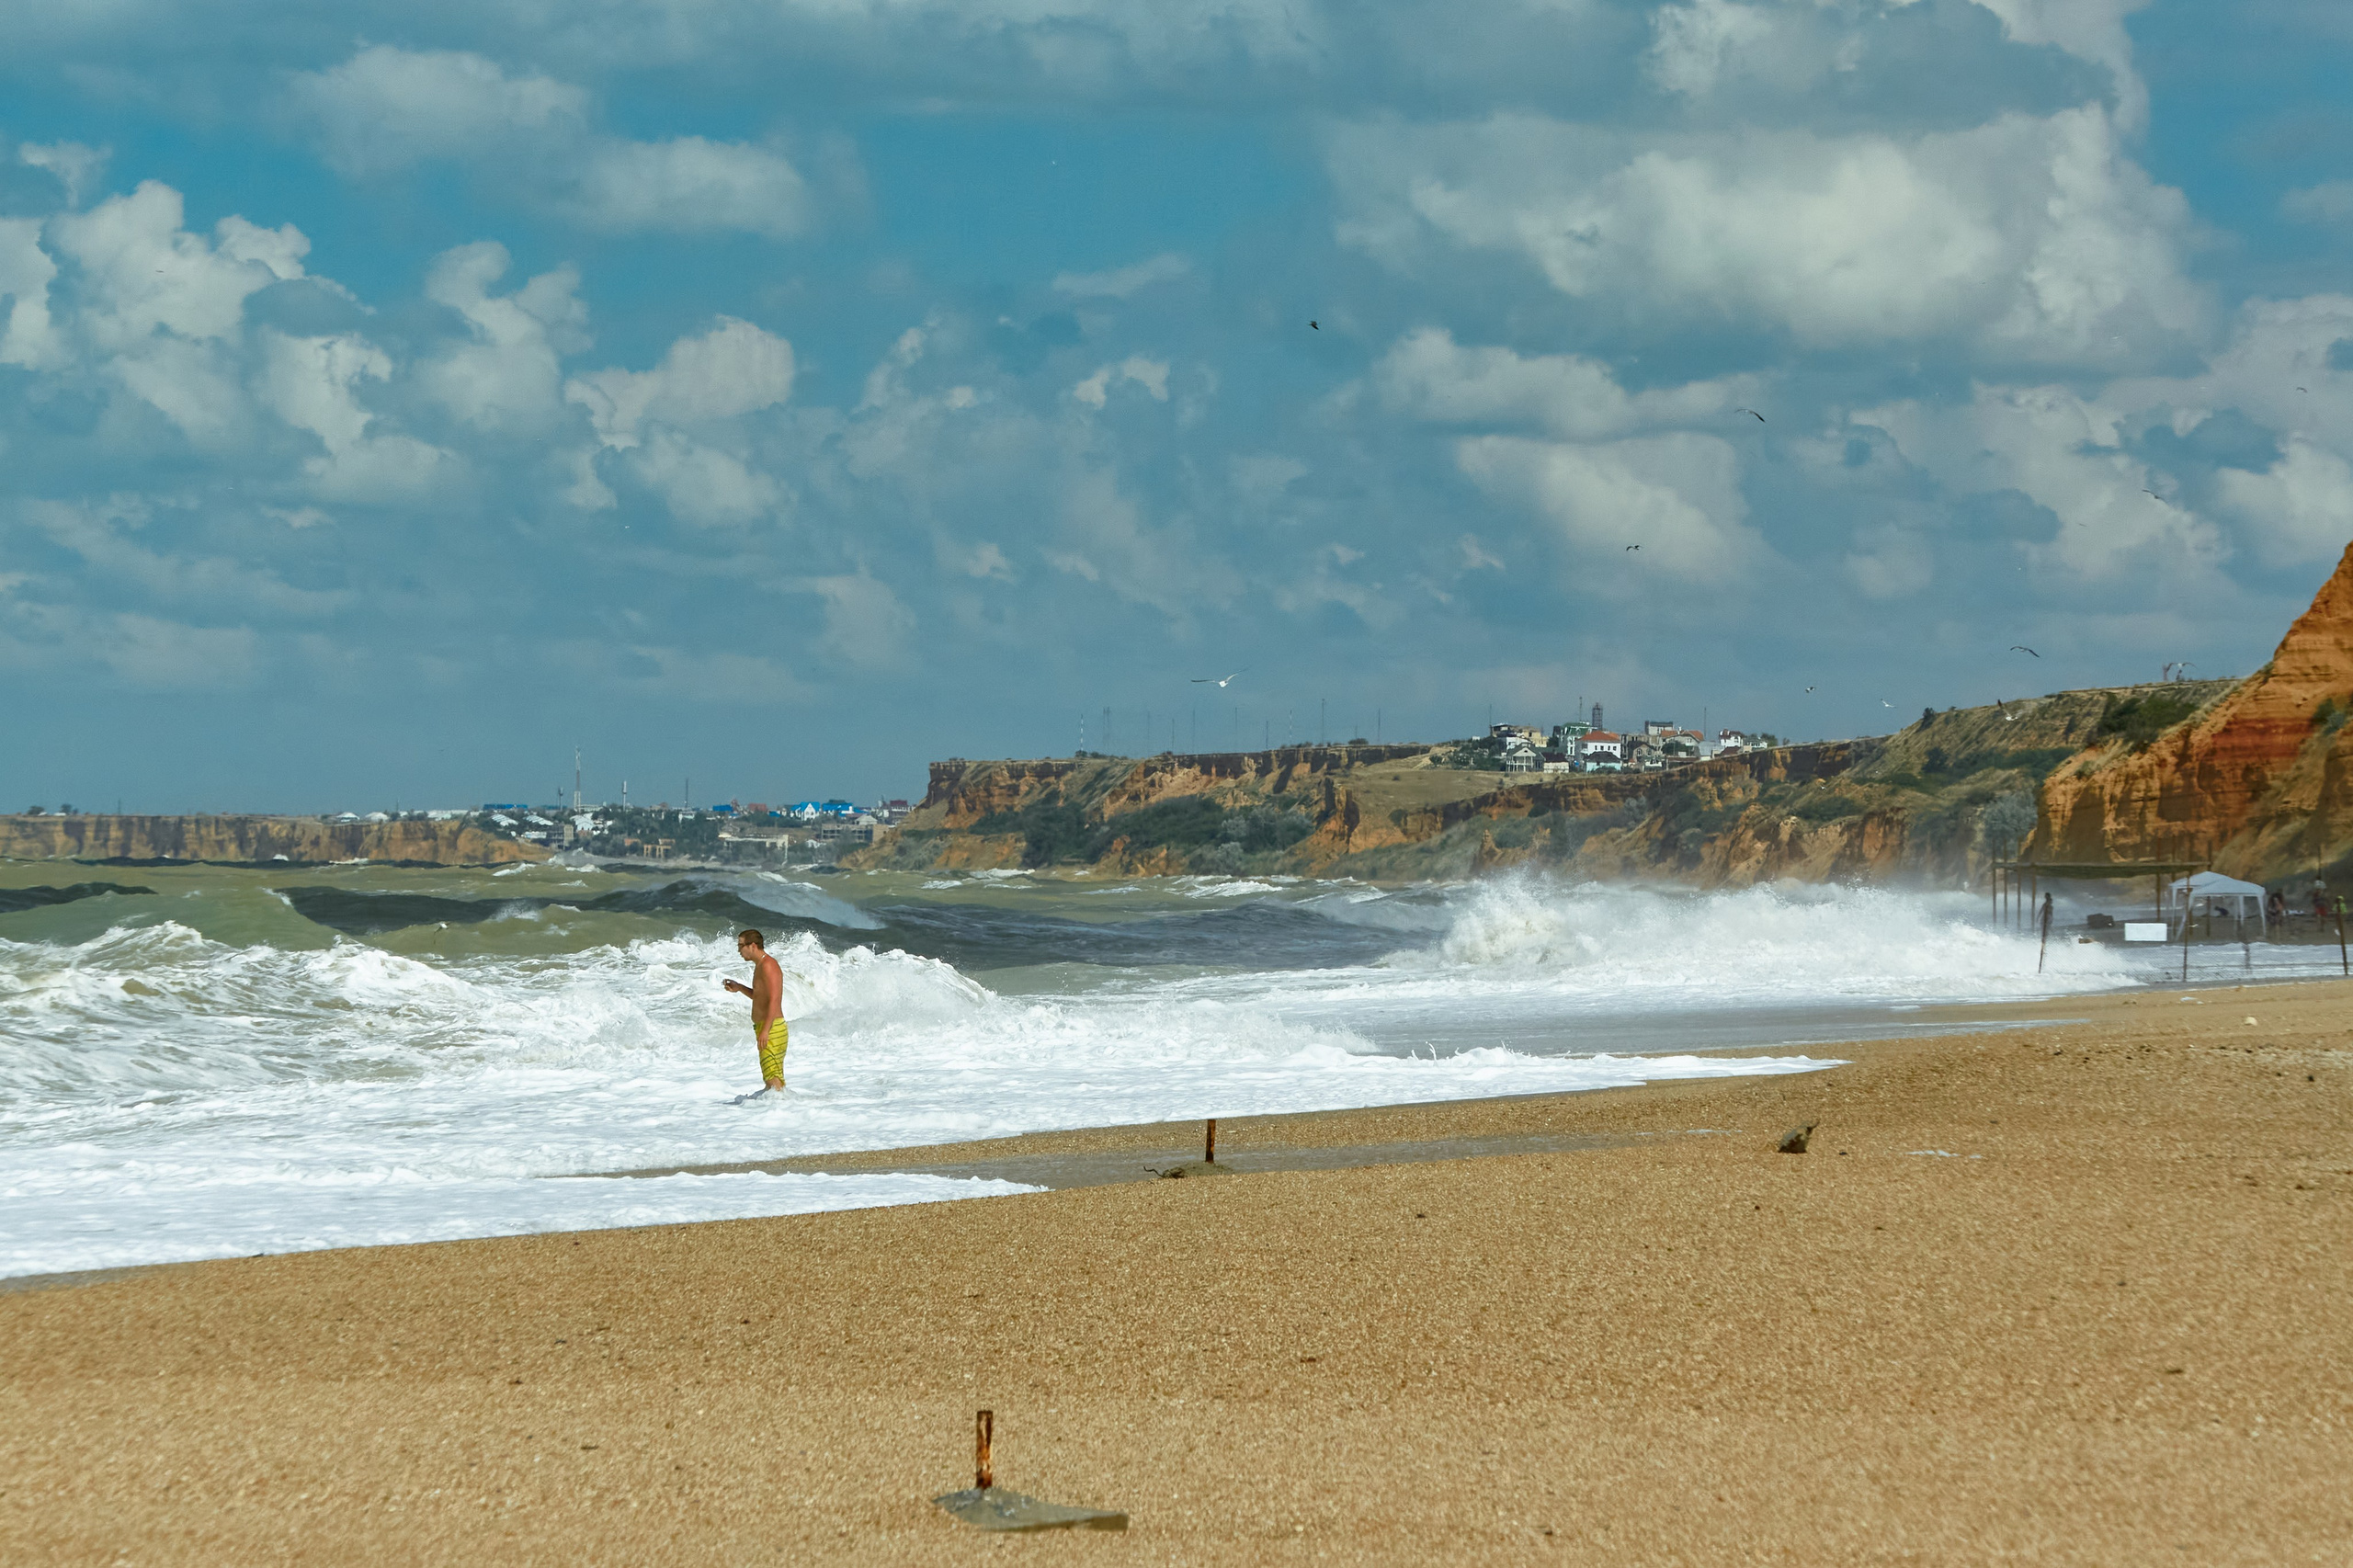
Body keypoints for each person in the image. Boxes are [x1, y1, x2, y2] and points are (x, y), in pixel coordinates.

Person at [722, 927, 787, 1096]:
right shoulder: (760, 966)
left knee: (772, 1082)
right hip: (767, 1027)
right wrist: (739, 988)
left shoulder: (768, 965)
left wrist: (765, 1030)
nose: (739, 951)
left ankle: (776, 1115)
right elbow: (760, 997)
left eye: (741, 946)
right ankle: (780, 1113)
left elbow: (774, 1000)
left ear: (752, 946)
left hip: (772, 1028)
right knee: (774, 1081)